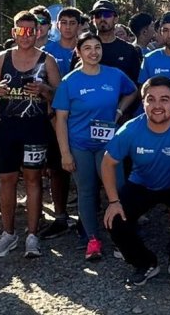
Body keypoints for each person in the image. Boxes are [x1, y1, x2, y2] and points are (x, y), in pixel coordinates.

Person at [102, 76, 170, 286]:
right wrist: (113, 201)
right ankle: (145, 263)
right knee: (114, 219)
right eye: (150, 99)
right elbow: (107, 162)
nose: (157, 105)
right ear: (143, 103)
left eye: (164, 99)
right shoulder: (130, 130)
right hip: (142, 184)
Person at [53, 31, 138, 260]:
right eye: (87, 48)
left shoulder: (114, 75)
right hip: (80, 145)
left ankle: (121, 237)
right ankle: (92, 239)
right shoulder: (69, 82)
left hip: (108, 145)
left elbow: (132, 91)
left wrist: (119, 111)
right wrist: (65, 153)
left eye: (97, 47)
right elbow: (60, 119)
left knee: (117, 189)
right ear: (78, 52)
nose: (93, 52)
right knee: (87, 191)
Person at [0, 11, 62, 259]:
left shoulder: (47, 60)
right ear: (14, 32)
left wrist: (44, 89)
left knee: (33, 179)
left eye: (31, 31)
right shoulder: (3, 57)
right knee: (7, 179)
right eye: (21, 30)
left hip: (35, 127)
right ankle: (8, 233)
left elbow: (60, 96)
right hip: (8, 126)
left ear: (38, 32)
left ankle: (32, 235)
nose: (26, 35)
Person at [38, 6, 82, 241]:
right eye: (63, 22)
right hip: (54, 117)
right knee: (56, 168)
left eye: (72, 22)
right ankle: (60, 217)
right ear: (57, 25)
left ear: (80, 26)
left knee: (85, 168)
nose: (67, 27)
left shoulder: (87, 48)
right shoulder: (47, 51)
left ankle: (86, 218)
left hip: (82, 117)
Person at [87, 0, 143, 83]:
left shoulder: (129, 50)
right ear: (93, 20)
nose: (102, 18)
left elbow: (136, 84)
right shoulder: (84, 49)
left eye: (107, 15)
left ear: (116, 19)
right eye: (98, 15)